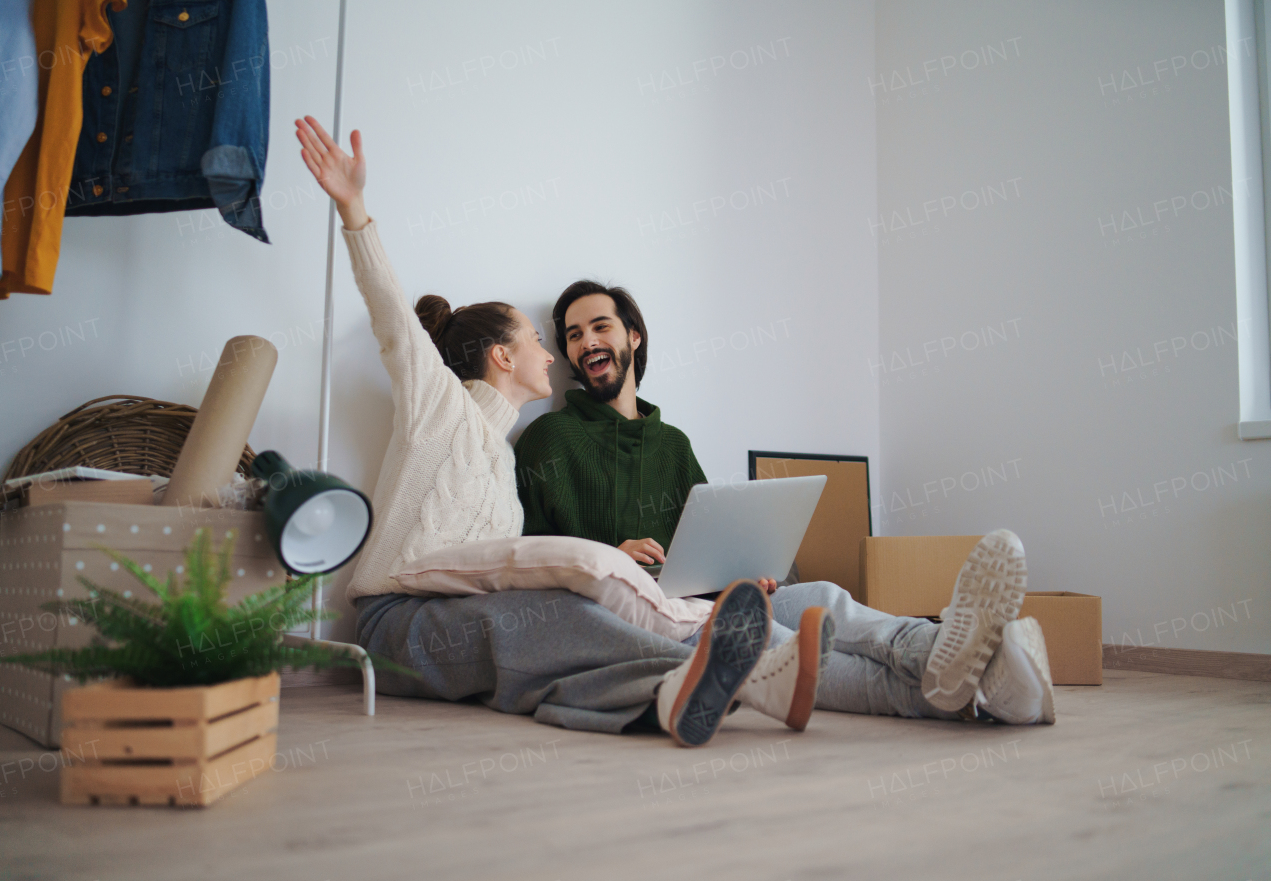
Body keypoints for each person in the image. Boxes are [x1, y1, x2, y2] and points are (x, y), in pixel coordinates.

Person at [294, 115, 839, 747]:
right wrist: (355, 209)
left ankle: (671, 697)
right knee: (541, 621)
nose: (554, 355)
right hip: (396, 622)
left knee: (551, 631)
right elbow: (393, 319)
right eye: (537, 341)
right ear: (501, 356)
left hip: (467, 615)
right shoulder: (441, 408)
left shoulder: (505, 461)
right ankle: (732, 676)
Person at [512, 280, 1055, 726]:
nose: (586, 343)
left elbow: (707, 540)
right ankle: (987, 687)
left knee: (825, 596)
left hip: (714, 599)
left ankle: (950, 648)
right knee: (796, 650)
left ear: (632, 336)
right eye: (573, 336)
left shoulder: (671, 443)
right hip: (658, 618)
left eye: (599, 326)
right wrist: (612, 554)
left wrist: (746, 572)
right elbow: (529, 558)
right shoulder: (549, 439)